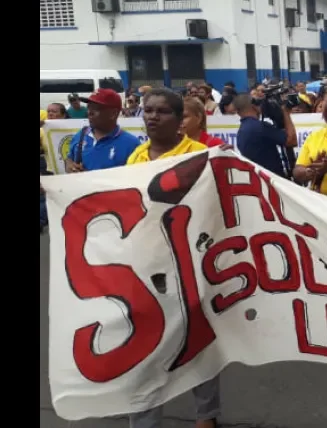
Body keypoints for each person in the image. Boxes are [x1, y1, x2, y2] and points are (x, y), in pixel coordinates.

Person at [125, 88, 218, 428]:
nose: (152, 116)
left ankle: (206, 415)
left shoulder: (201, 155)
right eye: (148, 110)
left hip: (190, 263)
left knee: (197, 342)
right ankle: (144, 420)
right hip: (145, 265)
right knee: (143, 346)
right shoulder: (135, 158)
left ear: (180, 121)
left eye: (162, 112)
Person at [65, 89, 141, 172]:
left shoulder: (131, 144)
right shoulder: (81, 135)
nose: (89, 112)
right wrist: (69, 165)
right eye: (89, 107)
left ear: (113, 114)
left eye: (95, 109)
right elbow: (69, 158)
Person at [235, 94, 297, 178]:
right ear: (254, 105)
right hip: (274, 180)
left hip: (259, 180)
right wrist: (285, 112)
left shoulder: (241, 132)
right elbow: (292, 141)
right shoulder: (260, 127)